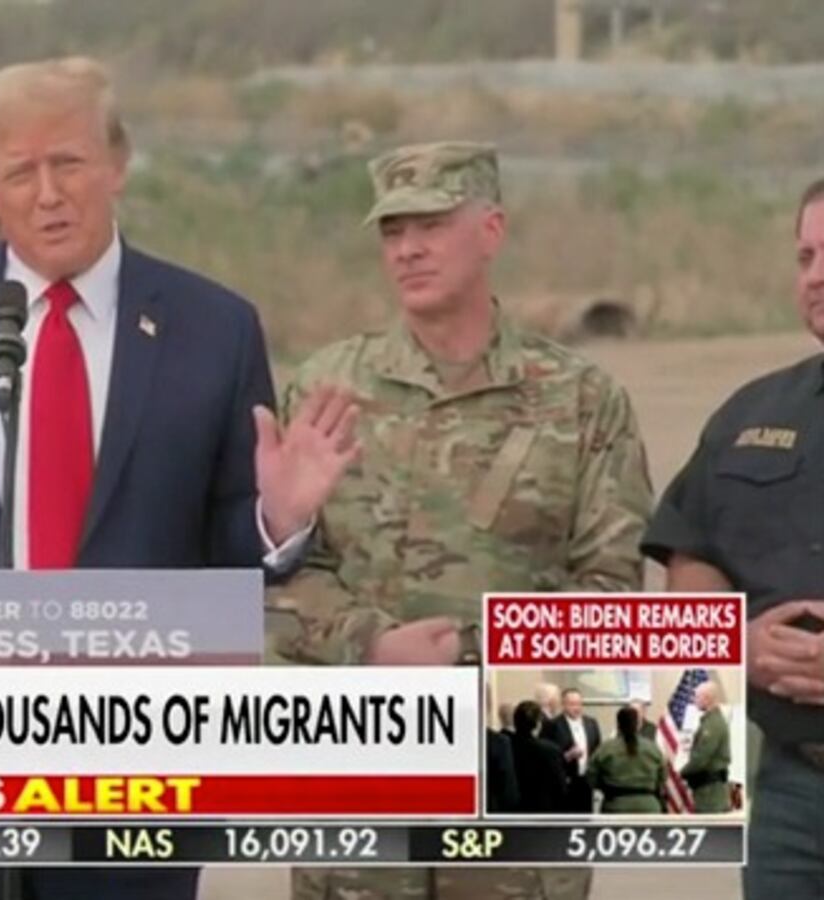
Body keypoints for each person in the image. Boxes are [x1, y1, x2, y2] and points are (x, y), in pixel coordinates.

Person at [0, 56, 357, 900]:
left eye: (69, 163)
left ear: (118, 163)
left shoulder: (214, 327)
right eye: (20, 172)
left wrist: (276, 520)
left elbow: (224, 551)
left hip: (131, 790)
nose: (48, 193)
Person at [266, 142, 654, 900]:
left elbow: (610, 597)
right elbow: (281, 574)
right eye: (391, 232)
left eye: (431, 226)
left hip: (513, 798)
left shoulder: (580, 401)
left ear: (492, 230)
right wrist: (371, 642)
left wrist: (459, 656)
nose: (407, 249)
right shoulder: (326, 390)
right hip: (363, 800)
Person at [642, 177, 824, 894]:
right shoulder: (753, 415)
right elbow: (692, 554)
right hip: (794, 794)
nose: (816, 276)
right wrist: (733, 645)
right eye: (806, 256)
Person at [588, 706, 667, 814]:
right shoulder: (653, 749)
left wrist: (606, 788)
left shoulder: (605, 749)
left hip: (615, 806)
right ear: (637, 724)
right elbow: (662, 777)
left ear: (618, 725)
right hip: (649, 807)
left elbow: (591, 777)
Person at [541, 688, 603, 813]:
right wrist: (566, 756)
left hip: (586, 783)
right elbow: (546, 757)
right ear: (563, 705)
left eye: (579, 703)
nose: (577, 708)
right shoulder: (552, 725)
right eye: (572, 704)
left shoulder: (591, 723)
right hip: (565, 783)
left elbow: (598, 749)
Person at [681, 681, 733, 813]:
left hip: (710, 792)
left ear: (707, 699)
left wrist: (683, 772)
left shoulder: (712, 725)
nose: (694, 700)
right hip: (707, 788)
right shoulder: (709, 722)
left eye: (697, 697)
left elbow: (701, 758)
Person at [510, 701, 569, 815]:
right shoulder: (550, 750)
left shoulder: (506, 745)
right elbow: (560, 788)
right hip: (543, 811)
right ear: (538, 724)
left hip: (512, 811)